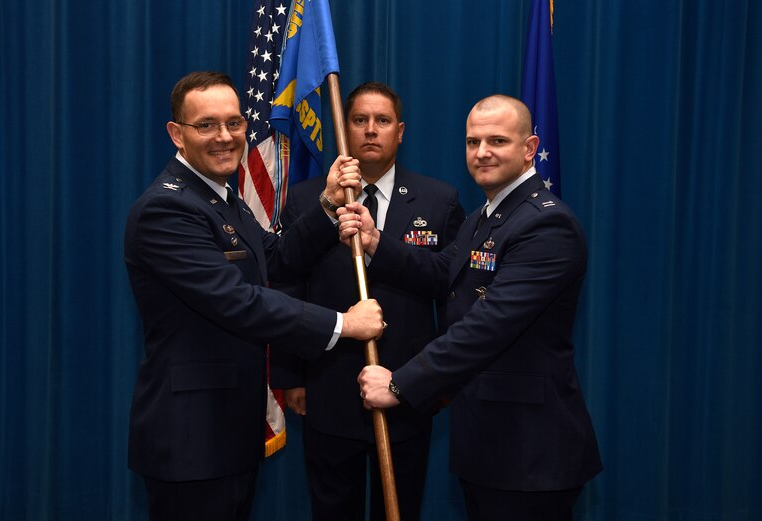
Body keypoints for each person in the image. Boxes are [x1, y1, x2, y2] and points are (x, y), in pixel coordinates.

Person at [123, 71, 384, 521]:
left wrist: (325, 205)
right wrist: (344, 324)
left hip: (229, 431)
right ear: (176, 134)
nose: (225, 137)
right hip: (192, 440)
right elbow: (238, 301)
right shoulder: (166, 209)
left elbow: (276, 259)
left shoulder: (222, 199)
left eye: (234, 123)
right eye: (206, 125)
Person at [345, 94, 602, 521]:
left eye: (497, 141)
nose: (481, 153)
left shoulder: (545, 224)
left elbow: (487, 326)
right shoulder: (488, 215)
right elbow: (443, 271)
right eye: (472, 142)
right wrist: (375, 243)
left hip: (529, 451)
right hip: (489, 439)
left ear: (530, 149)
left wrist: (399, 385)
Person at [269, 82, 465, 520]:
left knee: (400, 508)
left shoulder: (439, 199)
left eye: (382, 121)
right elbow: (285, 283)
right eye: (359, 120)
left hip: (408, 387)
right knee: (332, 508)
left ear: (401, 131)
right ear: (346, 129)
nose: (371, 131)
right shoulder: (305, 198)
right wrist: (290, 375)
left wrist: (442, 378)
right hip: (327, 383)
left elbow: (452, 292)